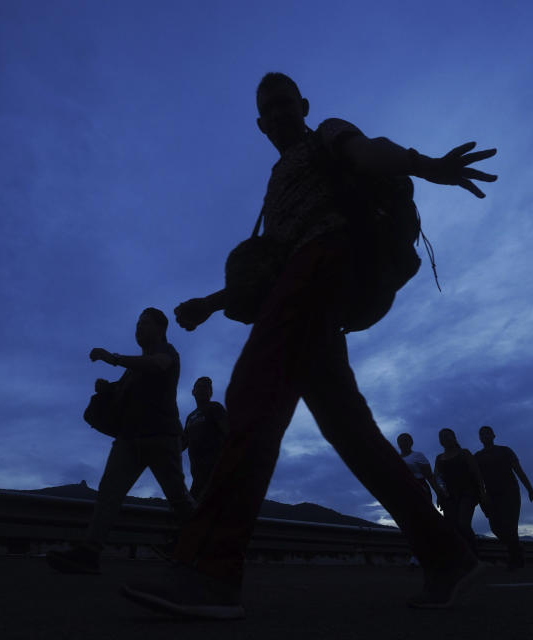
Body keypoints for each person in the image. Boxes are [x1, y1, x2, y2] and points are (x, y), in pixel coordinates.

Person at [119, 72, 498, 619]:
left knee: (252, 394)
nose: (275, 115)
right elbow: (270, 264)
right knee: (352, 432)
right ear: (258, 123)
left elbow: (370, 152)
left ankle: (210, 570)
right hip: (303, 280)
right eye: (266, 110)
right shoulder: (276, 183)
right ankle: (448, 554)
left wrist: (427, 165)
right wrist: (212, 301)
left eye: (283, 104)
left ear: (303, 105)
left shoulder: (327, 134)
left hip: (327, 264)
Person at [47, 308, 195, 574]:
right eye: (137, 324)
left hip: (161, 438)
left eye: (144, 324)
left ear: (160, 329)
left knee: (178, 499)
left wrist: (112, 358)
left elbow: (158, 365)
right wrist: (109, 389)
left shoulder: (167, 352)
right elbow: (126, 392)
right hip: (129, 439)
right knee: (108, 494)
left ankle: (214, 545)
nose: (138, 329)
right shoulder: (132, 369)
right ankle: (89, 553)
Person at [473, 425, 533, 569]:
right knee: (495, 526)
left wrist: (530, 490)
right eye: (482, 434)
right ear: (479, 438)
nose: (485, 436)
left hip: (510, 492)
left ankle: (515, 560)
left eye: (488, 433)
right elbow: (476, 478)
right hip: (491, 495)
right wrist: (481, 496)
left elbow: (519, 471)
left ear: (493, 435)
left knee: (510, 526)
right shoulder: (477, 456)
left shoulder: (505, 451)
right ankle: (517, 549)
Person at [433, 429, 486, 554]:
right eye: (443, 436)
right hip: (448, 496)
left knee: (463, 524)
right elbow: (437, 478)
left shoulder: (464, 453)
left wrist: (482, 493)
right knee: (452, 527)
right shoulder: (439, 458)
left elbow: (477, 473)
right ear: (441, 441)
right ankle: (460, 556)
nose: (446, 438)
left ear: (454, 437)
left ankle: (474, 553)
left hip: (468, 493)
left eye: (448, 435)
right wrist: (439, 495)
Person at [182, 377, 228, 502]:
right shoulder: (190, 417)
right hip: (197, 474)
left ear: (211, 393)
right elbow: (182, 443)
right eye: (199, 386)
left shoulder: (215, 408)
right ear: (193, 392)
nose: (203, 389)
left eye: (206, 387)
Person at [396, 433, 440, 503]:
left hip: (420, 487)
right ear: (398, 444)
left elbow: (429, 476)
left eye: (406, 440)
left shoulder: (418, 455)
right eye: (401, 441)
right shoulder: (396, 459)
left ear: (411, 442)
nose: (404, 443)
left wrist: (439, 494)